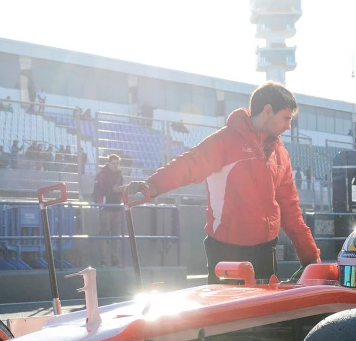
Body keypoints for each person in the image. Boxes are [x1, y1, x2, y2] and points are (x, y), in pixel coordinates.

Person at [132, 82, 320, 283]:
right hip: (226, 252)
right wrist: (153, 185)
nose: (289, 126)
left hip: (266, 252)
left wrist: (310, 257)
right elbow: (189, 164)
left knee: (263, 304)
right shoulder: (225, 141)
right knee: (227, 304)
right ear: (268, 111)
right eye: (286, 118)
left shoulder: (281, 155)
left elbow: (290, 208)